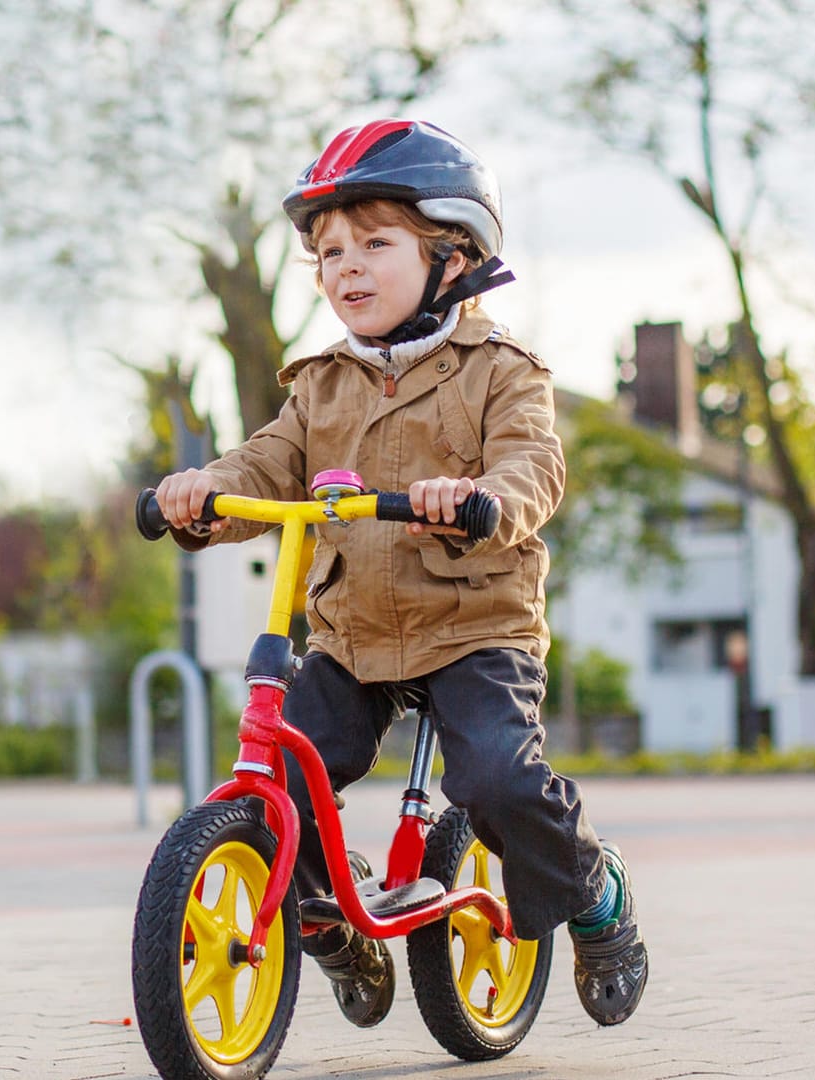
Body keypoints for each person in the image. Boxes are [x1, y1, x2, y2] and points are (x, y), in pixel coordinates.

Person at [154, 119, 647, 1029]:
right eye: (330, 251)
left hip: (474, 627)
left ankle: (595, 891)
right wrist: (202, 493)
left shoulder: (501, 370)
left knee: (496, 779)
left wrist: (483, 501)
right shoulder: (321, 383)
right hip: (354, 634)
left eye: (376, 243)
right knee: (284, 774)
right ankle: (332, 925)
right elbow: (265, 465)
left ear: (451, 257)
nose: (347, 266)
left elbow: (533, 465)